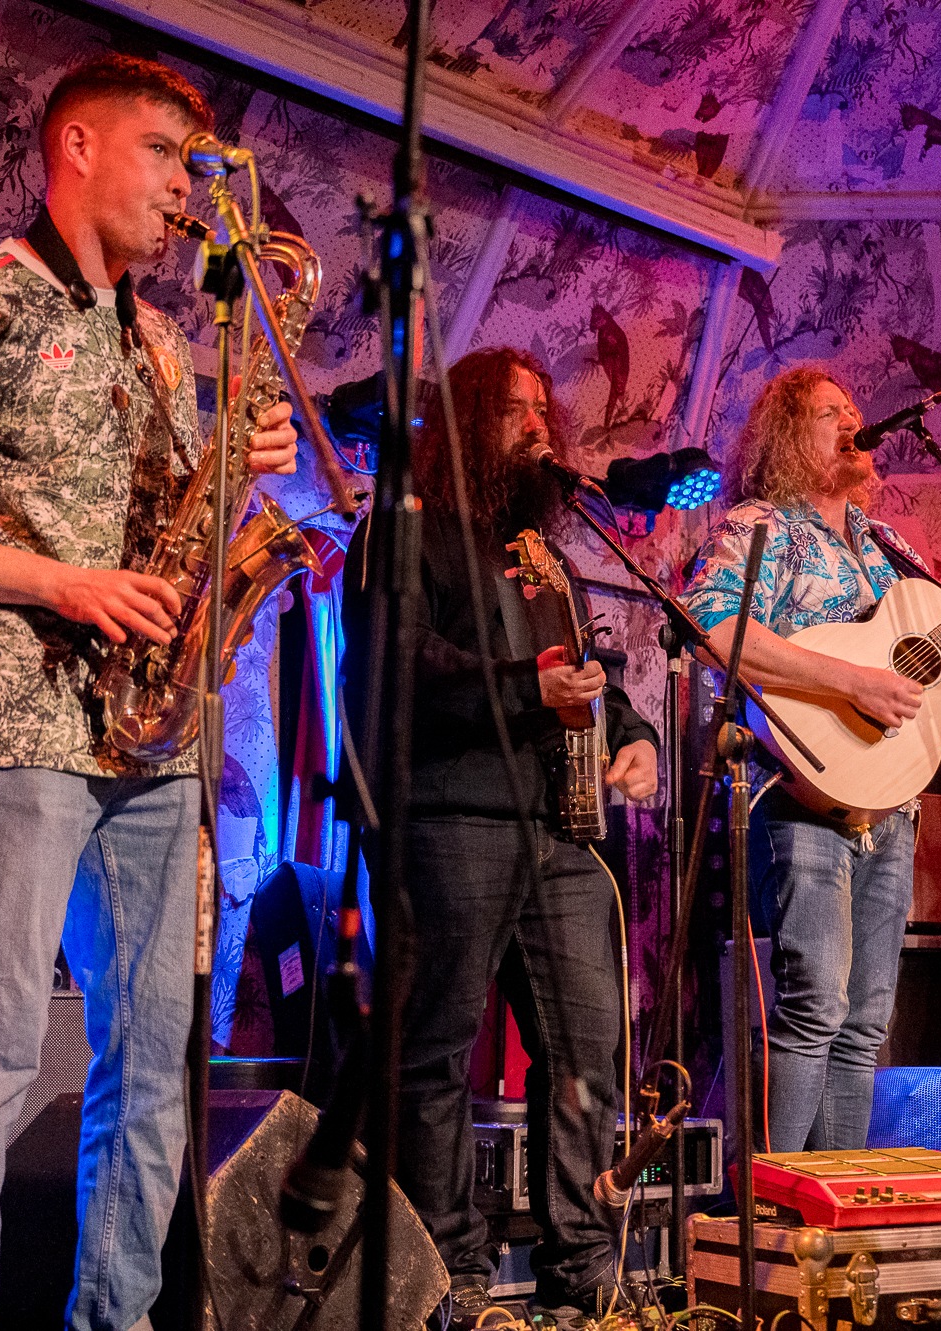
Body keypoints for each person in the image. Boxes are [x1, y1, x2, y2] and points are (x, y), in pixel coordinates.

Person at [0, 55, 301, 1331]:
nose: (186, 192)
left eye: (196, 167)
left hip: (152, 741)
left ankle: (119, 1318)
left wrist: (242, 470)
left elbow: (173, 545)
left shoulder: (163, 342)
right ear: (77, 147)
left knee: (153, 1066)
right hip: (14, 727)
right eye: (165, 157)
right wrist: (60, 582)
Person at [677, 367, 941, 1153]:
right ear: (786, 435)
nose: (852, 421)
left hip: (890, 805)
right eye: (830, 412)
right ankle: (771, 1201)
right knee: (813, 1006)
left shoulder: (887, 546)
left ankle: (836, 1196)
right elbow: (713, 629)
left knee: (865, 1020)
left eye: (855, 410)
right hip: (798, 791)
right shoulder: (763, 526)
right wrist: (851, 680)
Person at [339, 347, 659, 1325]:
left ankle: (583, 1272)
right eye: (514, 409)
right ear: (468, 422)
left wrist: (635, 736)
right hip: (452, 820)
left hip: (561, 832)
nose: (537, 425)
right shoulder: (405, 527)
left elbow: (591, 670)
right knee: (435, 1051)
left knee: (588, 1050)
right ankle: (452, 1274)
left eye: (542, 409)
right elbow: (398, 664)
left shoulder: (542, 552)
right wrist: (529, 689)